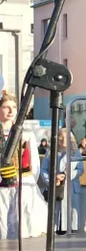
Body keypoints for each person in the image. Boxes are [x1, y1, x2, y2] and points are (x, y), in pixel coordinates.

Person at [0, 91, 47, 239]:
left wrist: (28, 181)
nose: (11, 110)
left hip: (23, 182)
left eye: (14, 107)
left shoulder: (25, 133)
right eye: (6, 107)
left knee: (24, 221)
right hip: (1, 184)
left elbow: (34, 164)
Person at [39, 130, 81, 234]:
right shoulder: (51, 152)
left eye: (65, 137)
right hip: (56, 188)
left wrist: (66, 176)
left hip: (71, 189)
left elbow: (80, 169)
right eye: (60, 137)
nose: (62, 140)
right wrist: (52, 180)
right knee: (56, 220)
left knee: (71, 220)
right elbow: (44, 169)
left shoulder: (75, 152)